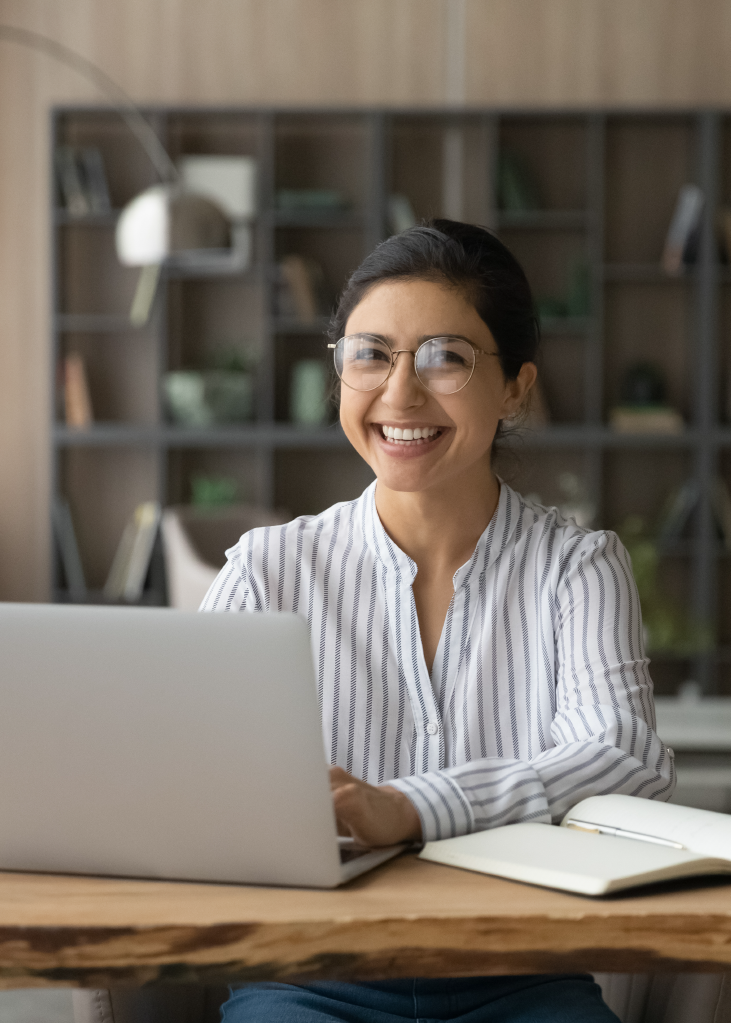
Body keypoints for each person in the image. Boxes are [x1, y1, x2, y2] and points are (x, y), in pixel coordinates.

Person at [202, 220, 675, 1023]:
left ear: (516, 387)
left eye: (443, 357)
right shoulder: (266, 569)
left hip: (525, 979)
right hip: (304, 978)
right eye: (369, 353)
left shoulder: (578, 566)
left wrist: (411, 806)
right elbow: (187, 777)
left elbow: (621, 758)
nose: (398, 393)